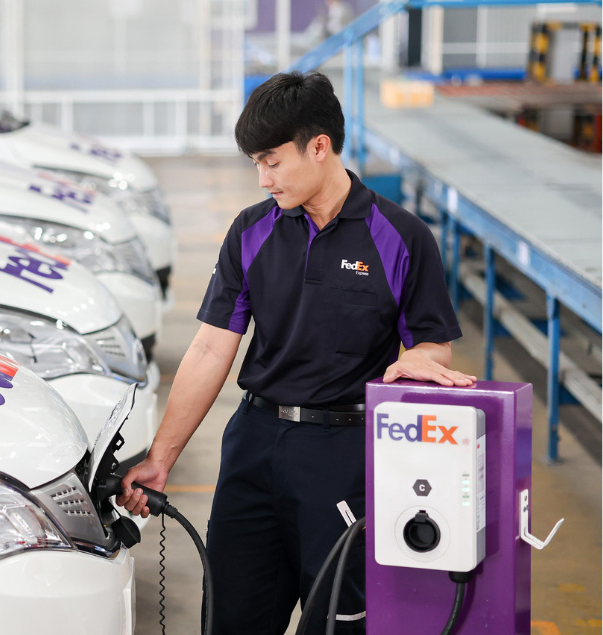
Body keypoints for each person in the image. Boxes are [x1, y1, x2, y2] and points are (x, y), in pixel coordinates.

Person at [116, 71, 476, 634]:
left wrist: (418, 362)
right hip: (254, 446)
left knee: (336, 620)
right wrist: (163, 455)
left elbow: (434, 343)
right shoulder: (252, 231)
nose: (262, 179)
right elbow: (212, 347)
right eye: (255, 164)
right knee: (233, 614)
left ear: (319, 147)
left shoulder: (400, 237)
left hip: (344, 456)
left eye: (272, 161)